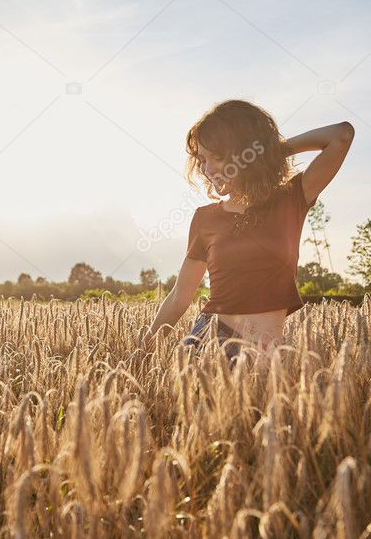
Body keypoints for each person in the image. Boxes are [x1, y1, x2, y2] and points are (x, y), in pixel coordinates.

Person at [141, 99, 354, 364]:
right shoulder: (205, 219)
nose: (208, 170)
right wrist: (142, 351)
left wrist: (267, 152)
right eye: (202, 160)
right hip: (208, 346)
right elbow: (179, 298)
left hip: (264, 357)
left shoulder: (291, 200)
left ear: (244, 152)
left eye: (217, 157)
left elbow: (341, 135)